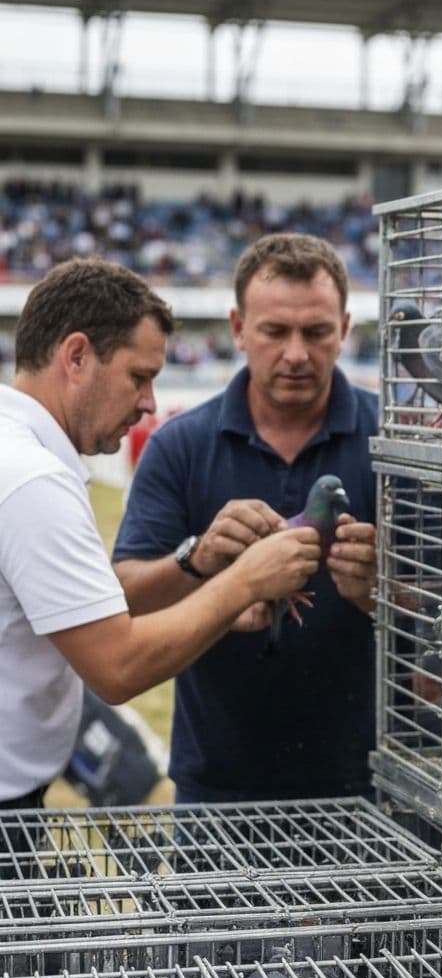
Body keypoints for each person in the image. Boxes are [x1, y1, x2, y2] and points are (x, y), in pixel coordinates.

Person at [0, 257, 322, 814]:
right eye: (138, 376)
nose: (149, 401)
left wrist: (196, 562)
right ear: (76, 356)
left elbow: (84, 616)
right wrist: (246, 580)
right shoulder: (33, 479)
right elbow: (118, 667)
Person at [112, 233, 378, 803]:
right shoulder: (178, 446)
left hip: (371, 782)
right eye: (274, 331)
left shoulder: (395, 443)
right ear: (237, 328)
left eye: (317, 331)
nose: (297, 354)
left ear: (345, 328)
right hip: (217, 785)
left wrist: (382, 589)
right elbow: (124, 599)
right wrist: (199, 560)